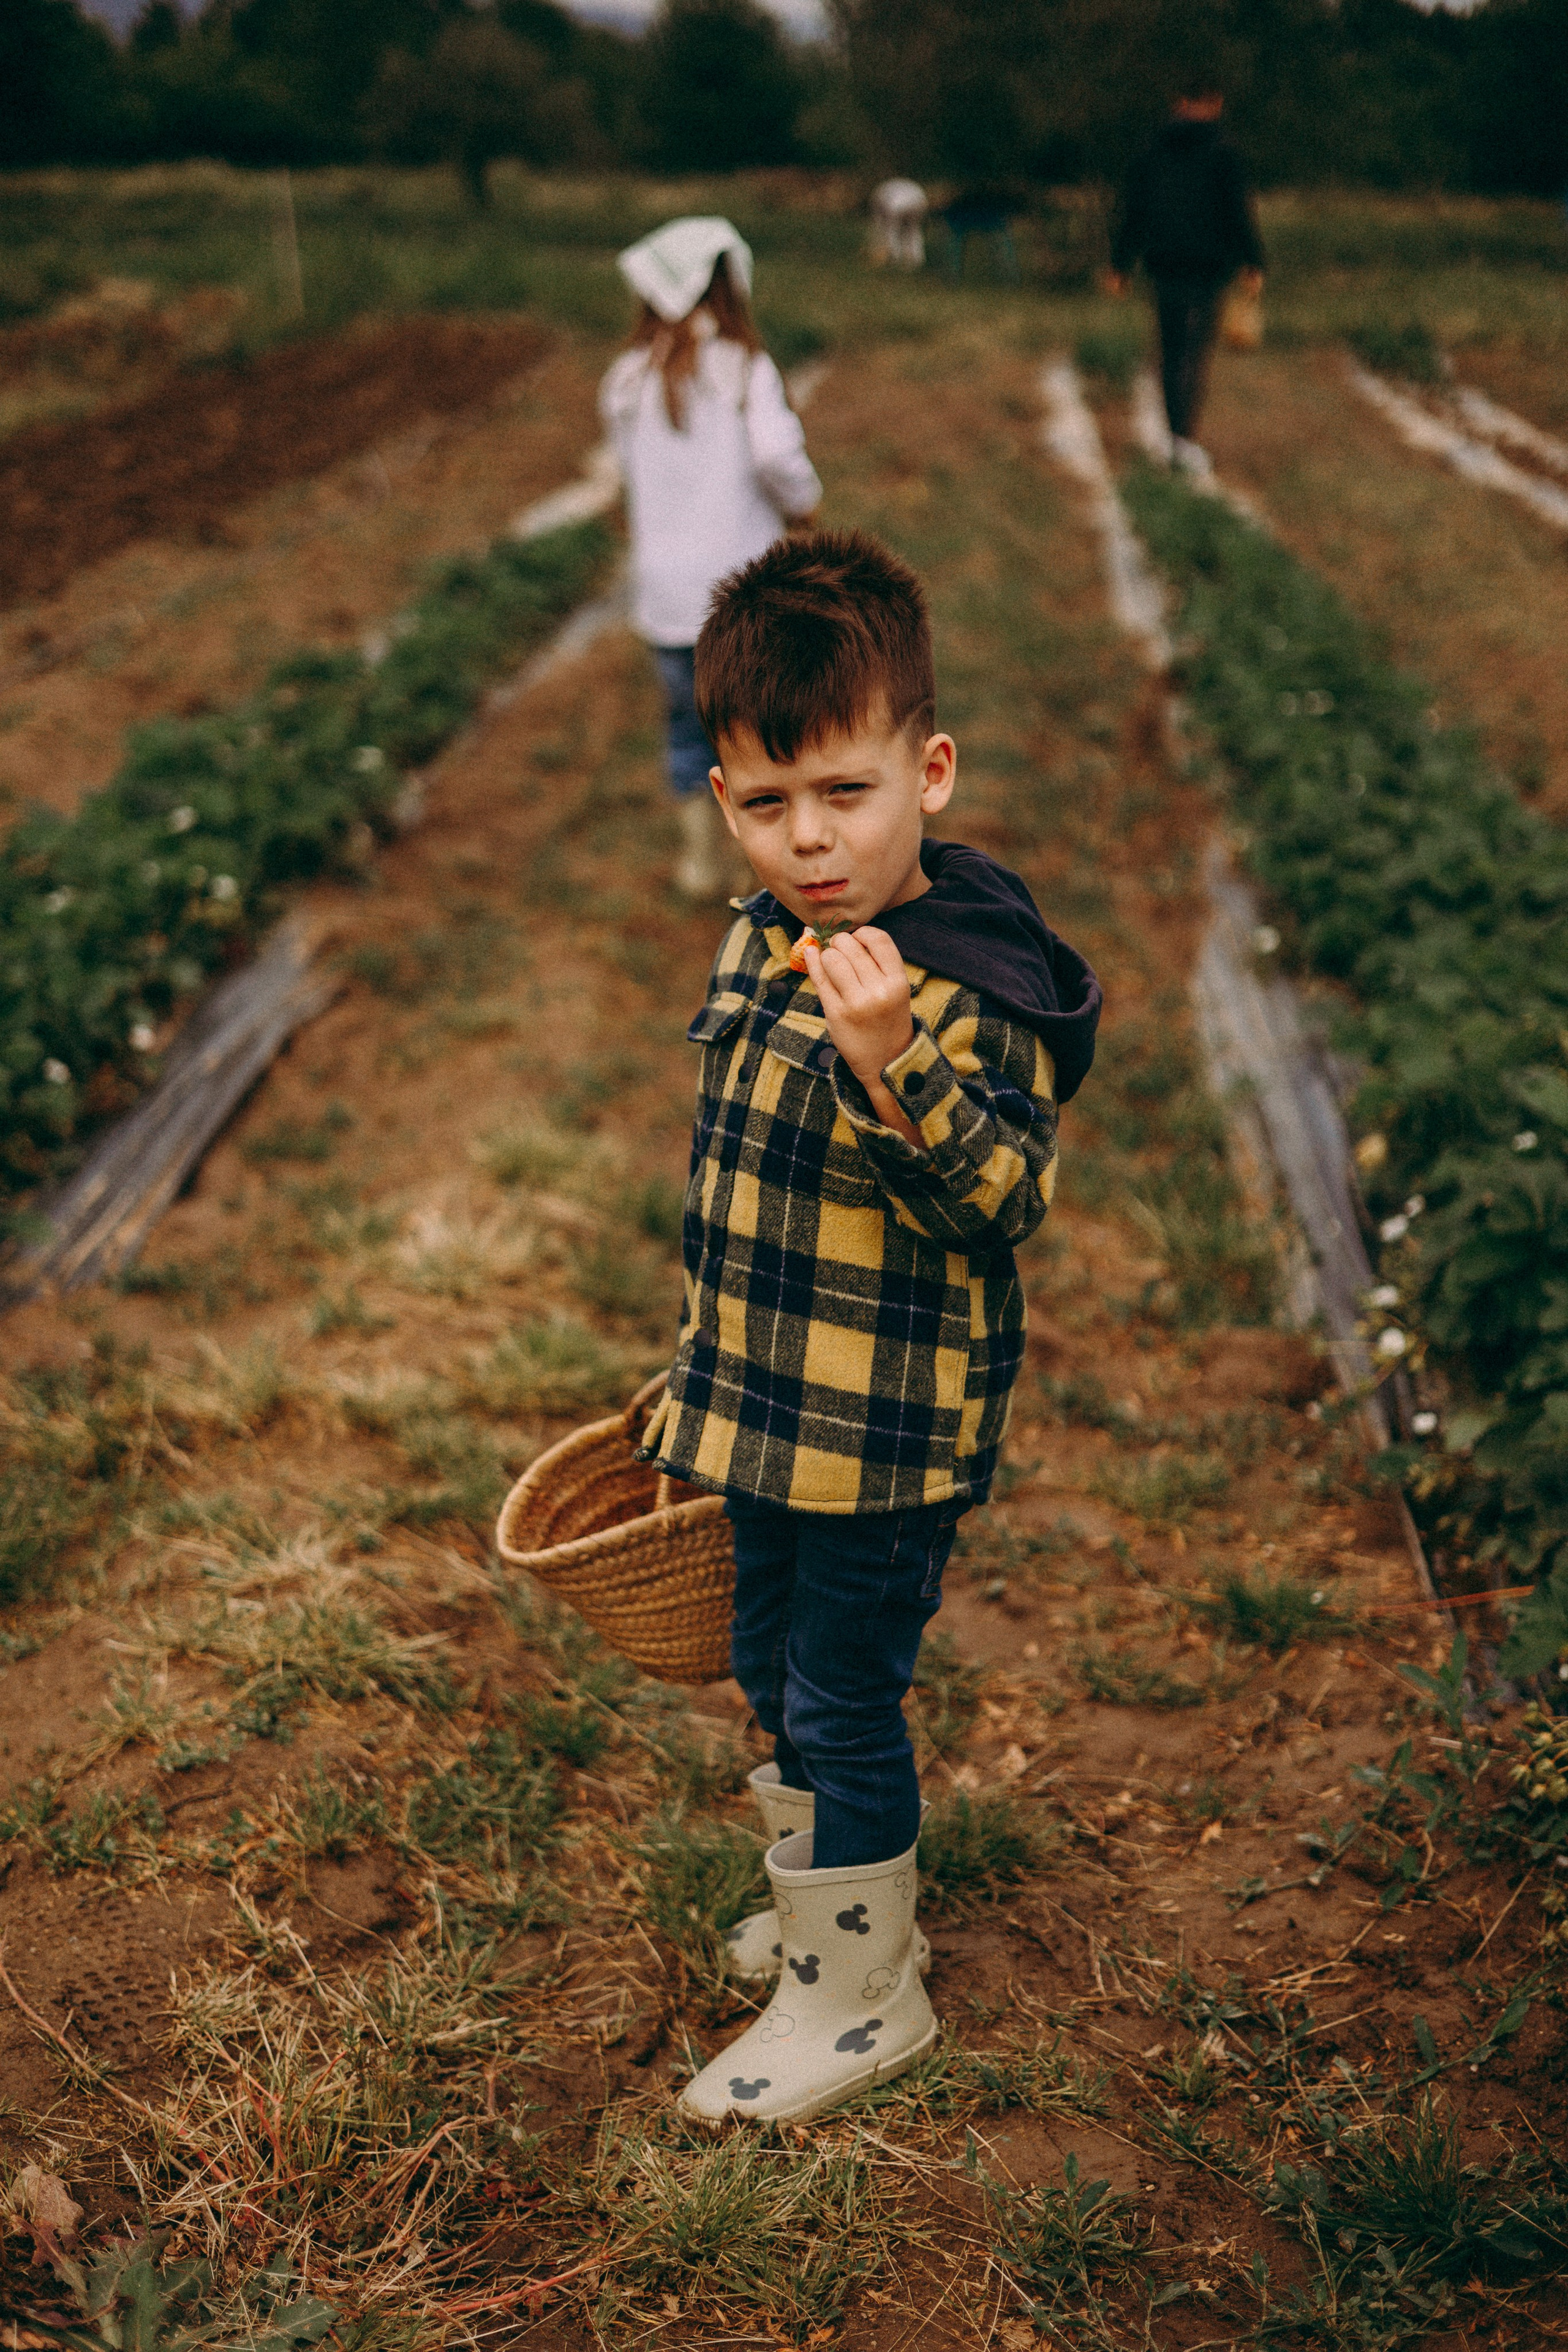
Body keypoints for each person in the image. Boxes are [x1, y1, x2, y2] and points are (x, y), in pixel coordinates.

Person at [636, 529, 1101, 2124]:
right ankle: (831, 1911)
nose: (811, 841)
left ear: (932, 771)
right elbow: (736, 1193)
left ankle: (858, 1998)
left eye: (846, 793)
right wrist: (699, 1373)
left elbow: (1001, 1201)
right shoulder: (760, 944)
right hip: (773, 1411)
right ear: (723, 800)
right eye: (768, 806)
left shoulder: (970, 987)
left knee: (842, 1693)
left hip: (883, 1440)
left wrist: (896, 1060)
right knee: (766, 1666)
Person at [600, 217, 822, 899]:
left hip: (665, 598)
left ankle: (701, 866)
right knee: (759, 731)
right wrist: (802, 504)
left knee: (686, 730)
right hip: (739, 595)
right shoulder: (742, 368)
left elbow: (622, 469)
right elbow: (776, 455)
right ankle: (770, 869)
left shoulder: (626, 379)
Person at [1106, 77, 1265, 477]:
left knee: (1172, 350)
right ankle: (1185, 438)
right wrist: (1253, 261)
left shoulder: (1151, 149)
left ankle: (1177, 438)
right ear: (1214, 103)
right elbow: (1238, 211)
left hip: (1164, 262)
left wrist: (1121, 265)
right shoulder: (1226, 152)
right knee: (1196, 353)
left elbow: (1134, 211)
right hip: (1210, 266)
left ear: (1178, 103)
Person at [869, 178, 927, 270]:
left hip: (896, 205)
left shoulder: (879, 194)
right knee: (913, 230)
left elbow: (879, 222)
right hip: (918, 201)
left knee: (891, 230)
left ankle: (895, 257)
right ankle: (916, 258)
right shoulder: (889, 188)